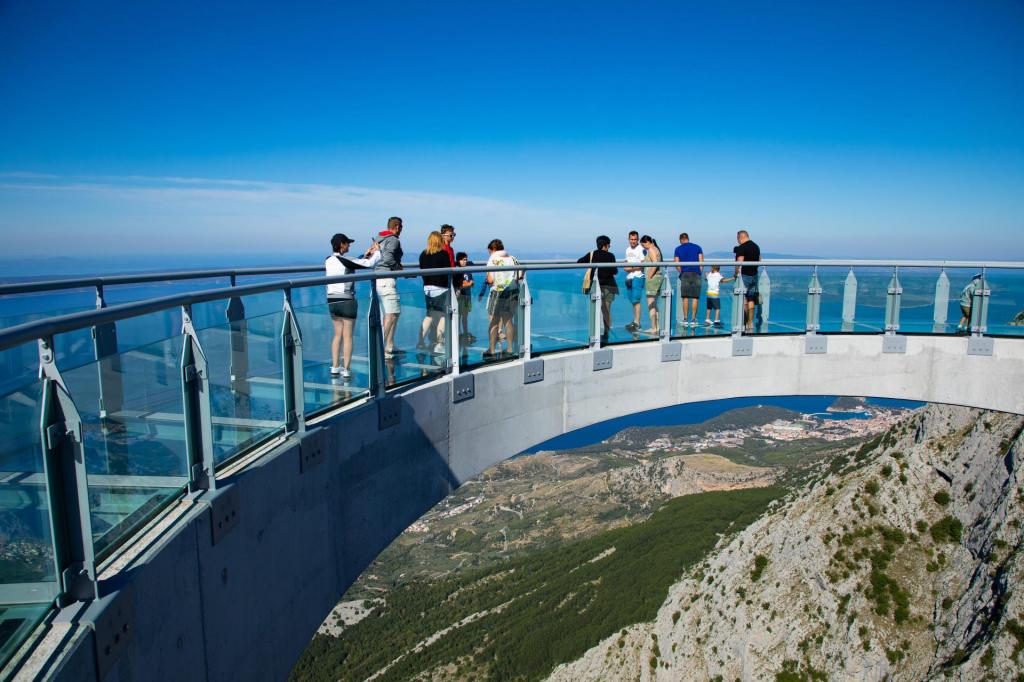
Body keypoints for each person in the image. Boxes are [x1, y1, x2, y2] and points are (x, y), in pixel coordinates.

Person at [325, 233, 380, 379]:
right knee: (348, 336)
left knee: (338, 334)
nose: (349, 245)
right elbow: (369, 264)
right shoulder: (345, 260)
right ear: (342, 244)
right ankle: (346, 369)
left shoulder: (328, 260)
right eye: (347, 243)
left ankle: (335, 367)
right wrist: (378, 252)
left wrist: (365, 255)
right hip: (347, 300)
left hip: (332, 300)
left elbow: (350, 263)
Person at [484, 239, 521, 359]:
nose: (489, 254)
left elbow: (490, 280)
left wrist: (488, 277)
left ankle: (491, 350)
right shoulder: (513, 259)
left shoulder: (493, 259)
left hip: (497, 292)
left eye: (489, 252)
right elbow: (520, 275)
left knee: (494, 321)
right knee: (508, 321)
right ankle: (510, 349)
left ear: (493, 249)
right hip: (512, 292)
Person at [578, 235, 619, 343]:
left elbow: (579, 262)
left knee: (595, 310)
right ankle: (606, 333)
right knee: (606, 311)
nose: (610, 246)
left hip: (596, 287)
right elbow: (615, 271)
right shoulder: (611, 256)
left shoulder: (592, 254)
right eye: (609, 244)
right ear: (605, 245)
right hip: (609, 286)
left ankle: (594, 334)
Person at [374, 217, 404, 358]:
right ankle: (380, 348)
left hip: (378, 278)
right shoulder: (393, 240)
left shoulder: (379, 238)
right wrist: (398, 268)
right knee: (392, 314)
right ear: (397, 227)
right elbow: (387, 258)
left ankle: (389, 345)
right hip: (387, 279)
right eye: (401, 227)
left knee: (391, 314)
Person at [418, 231, 451, 353]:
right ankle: (439, 342)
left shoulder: (423, 254)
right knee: (443, 316)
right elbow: (448, 271)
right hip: (441, 289)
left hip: (427, 289)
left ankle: (420, 342)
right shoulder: (443, 254)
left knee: (429, 316)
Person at [673, 232, 704, 328]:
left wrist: (682, 272)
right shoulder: (697, 247)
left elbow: (676, 264)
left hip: (685, 274)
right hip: (696, 273)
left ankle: (685, 319)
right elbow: (701, 262)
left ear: (680, 240)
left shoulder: (678, 249)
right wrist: (699, 272)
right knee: (695, 297)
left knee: (685, 297)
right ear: (687, 238)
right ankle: (693, 319)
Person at [733, 229, 761, 331]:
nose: (737, 241)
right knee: (751, 298)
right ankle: (750, 322)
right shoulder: (756, 246)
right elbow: (760, 260)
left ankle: (743, 322)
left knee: (743, 298)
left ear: (740, 237)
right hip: (754, 275)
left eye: (737, 238)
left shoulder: (742, 247)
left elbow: (739, 263)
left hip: (744, 275)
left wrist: (736, 273)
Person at [623, 230, 646, 332]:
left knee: (636, 300)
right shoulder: (627, 249)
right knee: (633, 301)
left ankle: (638, 323)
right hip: (629, 278)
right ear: (628, 239)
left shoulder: (641, 249)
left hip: (638, 277)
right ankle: (635, 321)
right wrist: (630, 268)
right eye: (631, 239)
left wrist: (630, 268)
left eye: (635, 239)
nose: (633, 241)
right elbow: (625, 264)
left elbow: (642, 265)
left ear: (638, 239)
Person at [640, 235, 663, 334]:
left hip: (652, 279)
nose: (643, 247)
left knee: (651, 304)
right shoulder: (656, 249)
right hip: (657, 278)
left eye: (643, 245)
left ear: (647, 242)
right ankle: (657, 327)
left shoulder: (651, 250)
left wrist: (649, 276)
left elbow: (655, 263)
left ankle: (653, 328)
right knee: (654, 304)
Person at [455, 251, 476, 342]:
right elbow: (460, 285)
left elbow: (472, 283)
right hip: (460, 297)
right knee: (458, 316)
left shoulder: (468, 271)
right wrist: (468, 284)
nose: (465, 261)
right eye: (463, 260)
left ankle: (465, 332)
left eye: (466, 260)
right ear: (458, 260)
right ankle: (457, 333)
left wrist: (468, 284)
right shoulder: (457, 271)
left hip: (467, 297)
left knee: (465, 316)